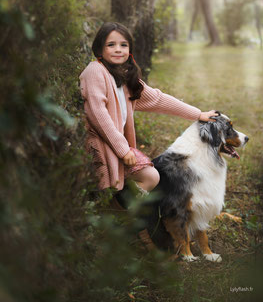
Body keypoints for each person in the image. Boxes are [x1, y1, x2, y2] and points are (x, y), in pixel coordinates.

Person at [79, 22, 218, 196]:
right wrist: (123, 150)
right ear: (99, 49)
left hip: (116, 146)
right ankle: (108, 216)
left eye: (123, 45)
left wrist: (198, 114)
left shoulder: (125, 78)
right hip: (99, 146)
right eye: (111, 45)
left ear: (129, 50)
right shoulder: (95, 71)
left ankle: (116, 214)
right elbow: (98, 115)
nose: (118, 49)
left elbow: (158, 99)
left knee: (150, 177)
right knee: (106, 190)